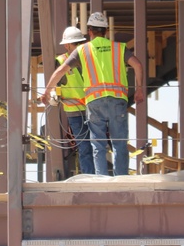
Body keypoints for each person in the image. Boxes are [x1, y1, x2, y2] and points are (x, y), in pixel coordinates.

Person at [41, 12, 145, 176]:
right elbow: (138, 65)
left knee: (98, 144)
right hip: (116, 101)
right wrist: (139, 88)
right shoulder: (118, 48)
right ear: (106, 30)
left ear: (89, 31)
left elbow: (61, 71)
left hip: (94, 102)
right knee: (119, 143)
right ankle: (122, 179)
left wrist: (47, 91)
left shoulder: (83, 50)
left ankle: (100, 179)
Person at [48, 26, 95, 175]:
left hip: (92, 108)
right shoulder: (61, 61)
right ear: (68, 46)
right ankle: (90, 177)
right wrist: (55, 93)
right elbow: (58, 82)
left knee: (94, 146)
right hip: (76, 111)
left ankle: (98, 177)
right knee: (85, 147)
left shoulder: (90, 59)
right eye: (76, 45)